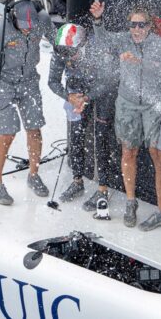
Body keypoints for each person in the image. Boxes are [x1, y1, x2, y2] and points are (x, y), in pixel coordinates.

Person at [89, 1, 161, 227]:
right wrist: (98, 20)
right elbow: (103, 39)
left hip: (152, 105)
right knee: (128, 151)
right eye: (132, 24)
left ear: (149, 26)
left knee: (157, 155)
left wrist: (142, 62)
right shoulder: (122, 40)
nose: (136, 29)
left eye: (141, 24)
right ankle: (130, 201)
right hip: (127, 103)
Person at [0, 0, 55, 205]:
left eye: (31, 27)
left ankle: (33, 174)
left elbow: (56, 40)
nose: (28, 31)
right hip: (4, 82)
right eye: (23, 27)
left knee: (35, 128)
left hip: (29, 80)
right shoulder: (1, 28)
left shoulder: (42, 20)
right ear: (14, 18)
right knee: (8, 133)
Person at [48, 23, 119, 208]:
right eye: (63, 54)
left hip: (102, 92)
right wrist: (69, 97)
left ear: (83, 44)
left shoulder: (98, 49)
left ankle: (103, 188)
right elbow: (52, 82)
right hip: (76, 90)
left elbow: (109, 81)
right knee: (76, 135)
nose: (67, 58)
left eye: (71, 54)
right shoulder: (60, 51)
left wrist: (87, 97)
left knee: (100, 137)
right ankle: (77, 181)